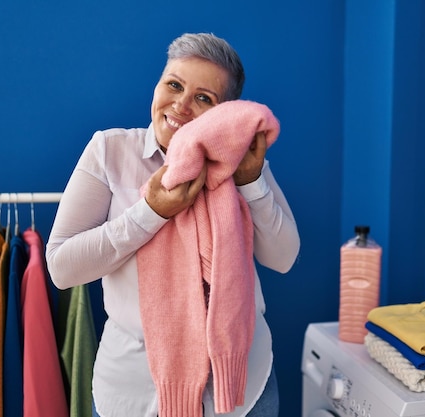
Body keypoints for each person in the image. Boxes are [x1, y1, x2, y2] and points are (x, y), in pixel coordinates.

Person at [46, 32, 300, 417]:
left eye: (203, 98)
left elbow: (283, 257)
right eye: (174, 85)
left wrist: (250, 182)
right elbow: (62, 267)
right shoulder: (110, 152)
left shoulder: (244, 166)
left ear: (224, 114)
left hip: (241, 392)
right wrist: (151, 212)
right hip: (133, 393)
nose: (180, 105)